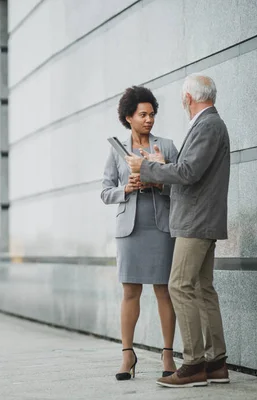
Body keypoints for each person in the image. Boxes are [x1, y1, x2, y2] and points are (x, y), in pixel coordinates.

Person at [125, 74, 230, 388]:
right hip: (200, 218)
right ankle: (215, 363)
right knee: (201, 289)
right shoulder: (209, 124)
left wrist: (145, 167)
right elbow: (189, 172)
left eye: (182, 98)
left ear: (188, 98)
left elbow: (188, 172)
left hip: (196, 221)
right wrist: (160, 166)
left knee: (179, 286)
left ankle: (194, 364)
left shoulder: (208, 124)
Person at [101, 86, 179, 381]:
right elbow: (105, 191)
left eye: (152, 114)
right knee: (130, 291)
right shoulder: (116, 150)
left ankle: (168, 354)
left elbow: (182, 184)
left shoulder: (167, 146)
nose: (149, 119)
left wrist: (159, 181)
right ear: (128, 117)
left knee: (163, 289)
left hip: (161, 226)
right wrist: (126, 188)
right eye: (143, 114)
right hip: (130, 228)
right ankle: (127, 355)